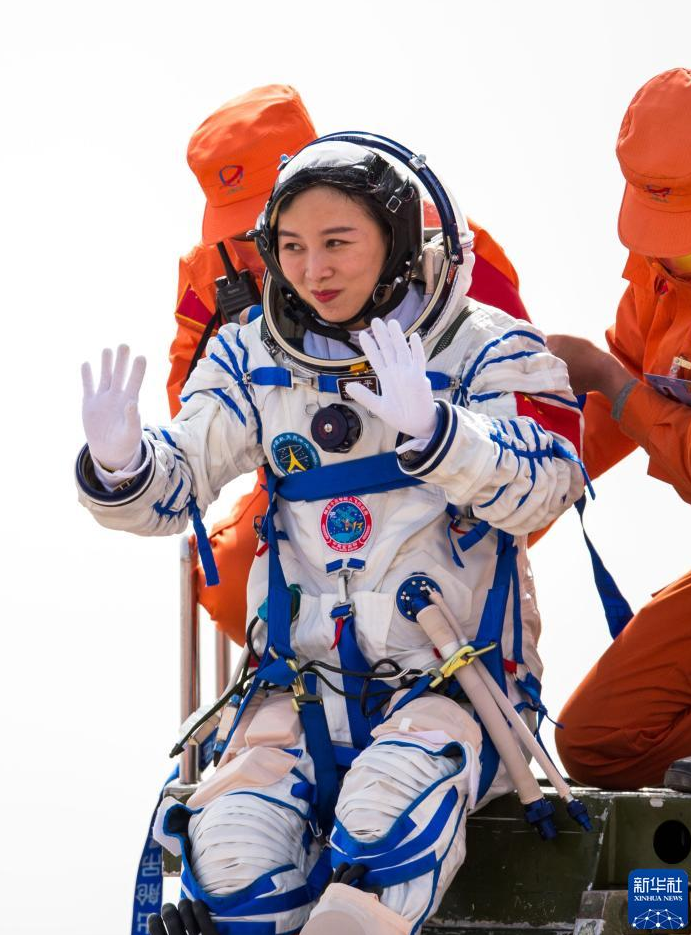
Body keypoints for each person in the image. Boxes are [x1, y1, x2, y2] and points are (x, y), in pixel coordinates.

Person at [77, 135, 585, 933]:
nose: (313, 269)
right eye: (291, 247)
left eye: (337, 242)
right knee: (232, 859)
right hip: (299, 688)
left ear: (396, 238)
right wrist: (122, 464)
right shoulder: (251, 355)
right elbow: (178, 482)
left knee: (388, 827)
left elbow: (550, 478)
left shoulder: (484, 343)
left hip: (448, 687)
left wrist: (440, 433)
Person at [169, 88, 533, 647]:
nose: (257, 245)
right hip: (308, 474)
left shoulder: (443, 247)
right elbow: (192, 409)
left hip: (446, 482)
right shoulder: (210, 275)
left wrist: (439, 436)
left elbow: (514, 386)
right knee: (229, 580)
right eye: (242, 232)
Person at [549, 68, 691, 791]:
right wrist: (511, 494)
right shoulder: (658, 269)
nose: (668, 252)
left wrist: (607, 377)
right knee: (595, 741)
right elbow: (619, 393)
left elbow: (620, 382)